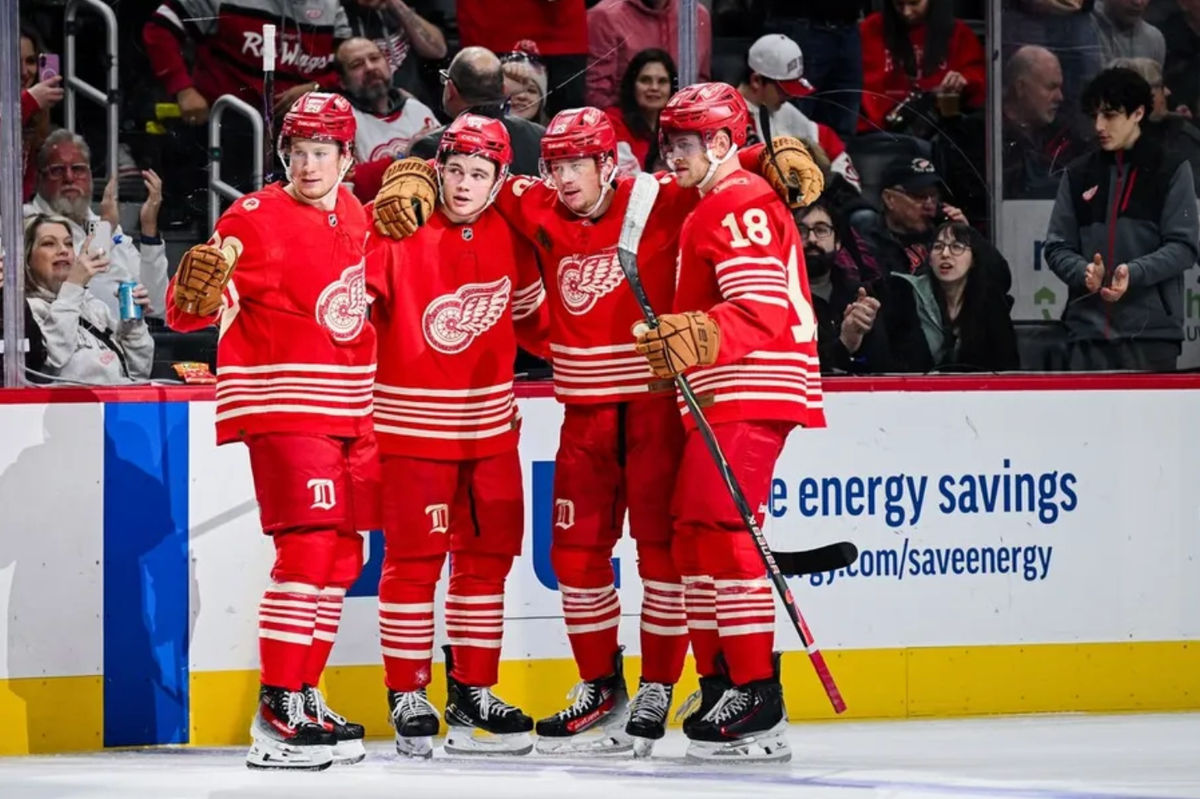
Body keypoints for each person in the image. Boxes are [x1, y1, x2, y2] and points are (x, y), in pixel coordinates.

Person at [371, 106, 822, 757]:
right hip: (581, 411)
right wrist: (408, 174)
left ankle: (660, 687)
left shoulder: (657, 196)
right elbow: (469, 176)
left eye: (577, 163)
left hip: (654, 407)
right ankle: (600, 687)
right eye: (553, 164)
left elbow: (718, 168)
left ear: (610, 163)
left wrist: (770, 156)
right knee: (577, 557)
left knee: (665, 555)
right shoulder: (534, 201)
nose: (563, 177)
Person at [166, 93, 378, 770]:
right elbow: (189, 307)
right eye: (299, 151)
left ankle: (305, 694)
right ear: (283, 153)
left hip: (351, 410)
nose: (310, 164)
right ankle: (277, 703)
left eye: (324, 152)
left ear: (348, 157)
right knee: (310, 547)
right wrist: (191, 294)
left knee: (342, 555)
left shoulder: (355, 213)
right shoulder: (251, 216)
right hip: (287, 406)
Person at [632, 82, 825, 763]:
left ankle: (756, 692)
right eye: (668, 142)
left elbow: (762, 307)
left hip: (752, 384)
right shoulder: (715, 195)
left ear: (718, 144)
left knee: (720, 526)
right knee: (691, 533)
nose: (671, 155)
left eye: (684, 143)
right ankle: (719, 681)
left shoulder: (737, 202)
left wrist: (697, 334)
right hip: (719, 393)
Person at [365, 114, 549, 758]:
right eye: (455, 170)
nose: (465, 184)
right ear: (435, 167)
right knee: (414, 564)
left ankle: (472, 689)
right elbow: (352, 318)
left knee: (486, 563)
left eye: (480, 173)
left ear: (501, 180)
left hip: (492, 428)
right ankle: (408, 691)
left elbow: (536, 324)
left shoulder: (511, 234)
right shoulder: (397, 224)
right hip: (411, 427)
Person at [1044, 66, 1199, 371]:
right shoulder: (1078, 173)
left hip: (1152, 334)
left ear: (1138, 113)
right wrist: (1083, 271)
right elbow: (1056, 246)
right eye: (1095, 115)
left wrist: (1133, 272)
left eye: (1111, 115)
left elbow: (1184, 246)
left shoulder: (1170, 168)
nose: (1100, 125)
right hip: (1086, 333)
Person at [23, 214, 152, 384]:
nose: (63, 250)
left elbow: (139, 374)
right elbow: (49, 363)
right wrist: (74, 285)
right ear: (26, 257)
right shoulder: (25, 312)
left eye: (69, 243)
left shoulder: (94, 308)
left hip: (117, 406)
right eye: (49, 243)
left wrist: (133, 326)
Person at [885, 221, 1020, 372]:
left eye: (956, 247)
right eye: (938, 247)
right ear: (929, 260)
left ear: (973, 259)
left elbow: (1008, 366)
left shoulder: (989, 301)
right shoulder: (906, 294)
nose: (945, 254)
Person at [605, 48, 676, 175]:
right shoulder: (613, 121)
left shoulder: (675, 124)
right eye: (645, 80)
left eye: (662, 81)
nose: (654, 87)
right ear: (632, 84)